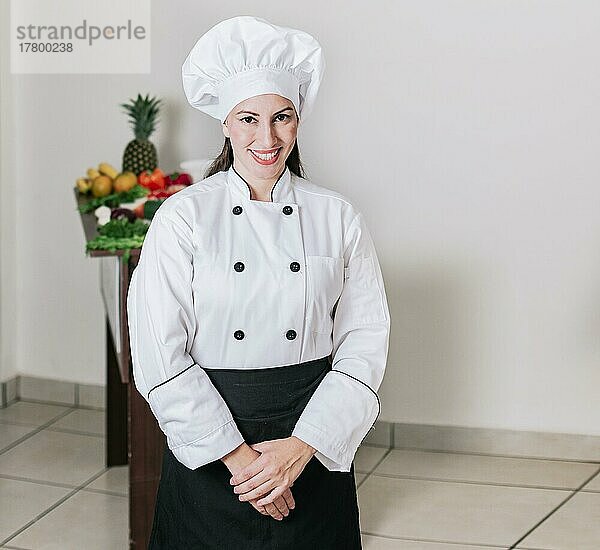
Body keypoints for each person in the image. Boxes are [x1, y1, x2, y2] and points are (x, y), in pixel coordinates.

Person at [126, 15, 391, 550]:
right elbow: (160, 355)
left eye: (282, 118)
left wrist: (300, 450)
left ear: (298, 122)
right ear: (225, 122)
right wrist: (245, 463)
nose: (266, 138)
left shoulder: (337, 217)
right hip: (212, 442)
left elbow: (365, 342)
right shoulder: (183, 219)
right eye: (248, 119)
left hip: (309, 439)